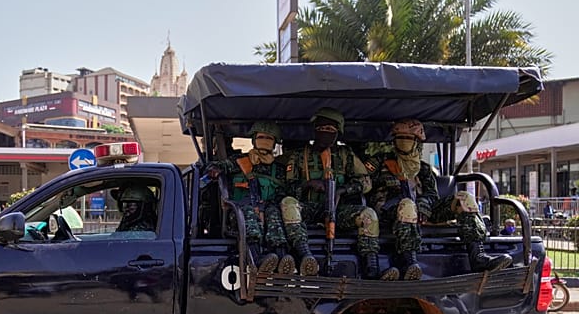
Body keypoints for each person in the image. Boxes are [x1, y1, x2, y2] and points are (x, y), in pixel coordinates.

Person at [365, 119, 512, 280]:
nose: (404, 142)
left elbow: (431, 195)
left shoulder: (424, 170)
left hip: (423, 213)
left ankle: (478, 256)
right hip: (388, 214)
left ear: (418, 142)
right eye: (400, 138)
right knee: (407, 205)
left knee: (465, 198)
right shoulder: (380, 163)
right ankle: (409, 262)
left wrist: (424, 205)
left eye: (409, 138)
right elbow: (364, 186)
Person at [280, 108, 398, 280]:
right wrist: (308, 185)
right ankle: (305, 256)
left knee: (369, 215)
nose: (324, 133)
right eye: (321, 128)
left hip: (339, 209)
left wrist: (342, 190)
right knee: (288, 203)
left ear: (338, 132)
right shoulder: (300, 156)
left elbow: (365, 183)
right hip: (309, 209)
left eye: (330, 129)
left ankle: (372, 267)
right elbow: (287, 188)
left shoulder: (346, 156)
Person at [205, 122, 297, 274]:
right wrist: (214, 169)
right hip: (240, 211)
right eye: (261, 137)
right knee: (248, 215)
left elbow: (283, 194)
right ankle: (257, 258)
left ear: (275, 143)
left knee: (275, 215)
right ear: (254, 139)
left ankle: (281, 259)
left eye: (269, 138)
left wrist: (266, 207)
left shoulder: (278, 169)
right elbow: (217, 166)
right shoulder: (240, 161)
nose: (264, 140)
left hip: (267, 210)